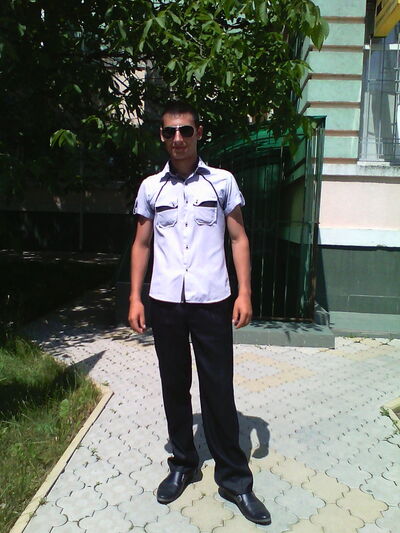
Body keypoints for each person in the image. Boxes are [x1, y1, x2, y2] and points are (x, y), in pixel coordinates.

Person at [128, 101, 271, 526]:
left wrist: (244, 293)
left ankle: (234, 480)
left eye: (185, 130)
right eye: (169, 131)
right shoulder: (151, 188)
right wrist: (135, 297)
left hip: (212, 301)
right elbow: (141, 244)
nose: (178, 139)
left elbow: (239, 238)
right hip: (166, 301)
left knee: (218, 389)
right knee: (174, 386)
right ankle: (184, 463)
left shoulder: (222, 181)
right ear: (162, 136)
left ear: (199, 133)